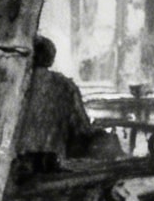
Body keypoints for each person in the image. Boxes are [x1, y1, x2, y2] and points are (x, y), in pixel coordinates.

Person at [15, 36, 97, 166]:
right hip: (51, 161)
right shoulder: (65, 85)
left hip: (17, 160)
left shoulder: (16, 83)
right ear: (51, 59)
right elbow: (82, 127)